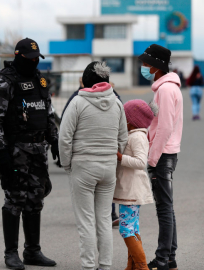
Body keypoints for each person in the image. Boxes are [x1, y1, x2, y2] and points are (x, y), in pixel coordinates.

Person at [0, 38, 58, 270]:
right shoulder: (4, 81)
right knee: (15, 198)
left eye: (37, 58)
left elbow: (47, 113)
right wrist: (0, 149)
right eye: (30, 59)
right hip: (15, 150)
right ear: (18, 56)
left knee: (36, 198)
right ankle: (11, 254)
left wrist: (54, 139)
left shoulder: (39, 79)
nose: (35, 62)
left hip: (38, 149)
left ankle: (33, 251)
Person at [59, 61, 128, 270]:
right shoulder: (117, 103)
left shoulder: (78, 103)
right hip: (108, 168)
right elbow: (123, 138)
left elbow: (64, 138)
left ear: (86, 81)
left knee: (86, 221)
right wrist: (113, 159)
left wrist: (67, 164)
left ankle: (88, 266)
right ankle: (105, 266)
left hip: (83, 167)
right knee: (105, 219)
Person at [138, 44, 183, 270]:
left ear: (156, 66)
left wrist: (152, 158)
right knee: (167, 207)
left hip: (162, 154)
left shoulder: (165, 90)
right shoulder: (167, 88)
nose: (144, 67)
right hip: (168, 152)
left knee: (164, 208)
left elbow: (164, 127)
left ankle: (163, 258)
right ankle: (170, 257)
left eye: (146, 64)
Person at [61, 76, 122, 226]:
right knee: (105, 210)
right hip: (108, 159)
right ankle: (110, 215)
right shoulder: (115, 98)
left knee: (86, 218)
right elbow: (123, 133)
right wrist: (116, 156)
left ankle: (93, 220)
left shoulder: (77, 99)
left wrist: (66, 163)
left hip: (84, 159)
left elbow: (65, 133)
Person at [114, 99, 157, 270]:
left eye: (124, 118)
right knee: (132, 229)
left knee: (126, 230)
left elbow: (140, 162)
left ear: (133, 121)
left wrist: (119, 156)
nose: (122, 121)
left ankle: (141, 266)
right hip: (130, 191)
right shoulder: (134, 135)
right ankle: (131, 266)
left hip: (132, 192)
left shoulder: (138, 136)